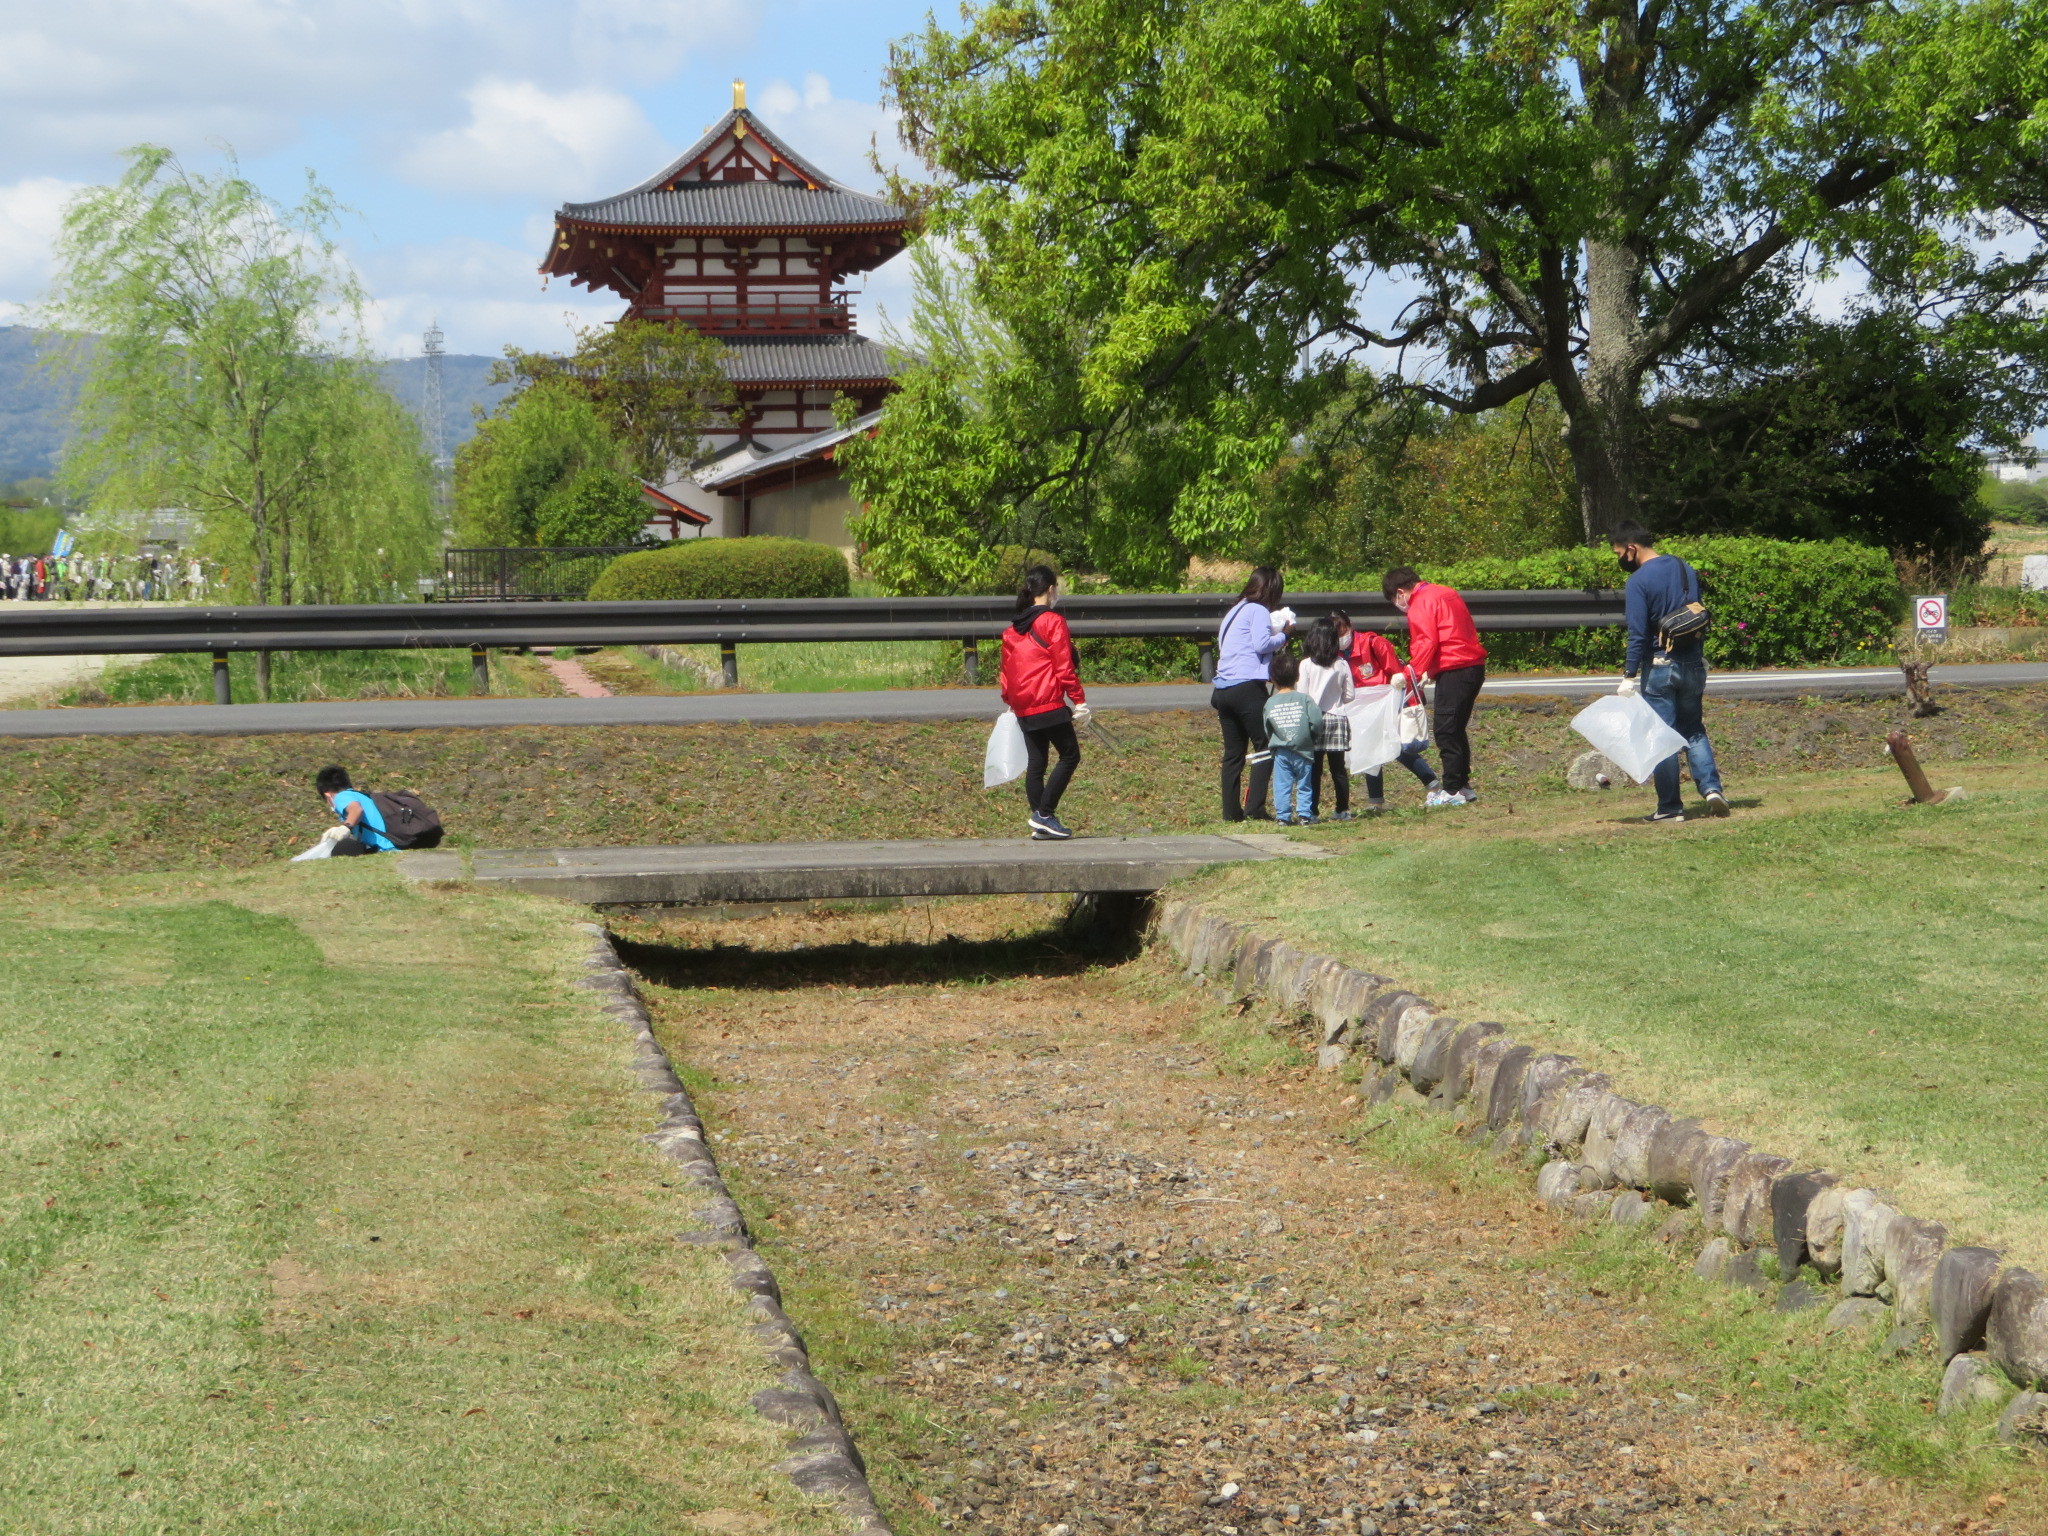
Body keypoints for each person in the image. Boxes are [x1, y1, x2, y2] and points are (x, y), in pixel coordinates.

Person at [1612, 521, 1729, 823]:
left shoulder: (1637, 582)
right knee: (1693, 729)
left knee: (1661, 736)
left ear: (1631, 549)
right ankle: (1712, 789)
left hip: (1660, 665)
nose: (1619, 559)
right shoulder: (1683, 567)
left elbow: (1638, 634)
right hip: (1693, 662)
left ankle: (1669, 807)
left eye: (1618, 553)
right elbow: (1695, 612)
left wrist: (1628, 675)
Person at [1381, 567, 1487, 806]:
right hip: (1472, 665)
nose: (1398, 605)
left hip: (1455, 667)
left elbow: (1426, 639)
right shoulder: (1446, 592)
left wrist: (1412, 672)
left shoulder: (1420, 602)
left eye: (1394, 600)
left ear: (1400, 592)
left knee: (1446, 730)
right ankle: (1462, 786)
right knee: (1456, 729)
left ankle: (1451, 791)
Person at [999, 564, 1089, 841]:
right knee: (1070, 755)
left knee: (1037, 763)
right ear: (1051, 590)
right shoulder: (1052, 621)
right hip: (1047, 702)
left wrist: (1010, 702)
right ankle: (1044, 814)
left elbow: (1005, 673)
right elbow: (1064, 666)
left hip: (1023, 706)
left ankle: (1042, 824)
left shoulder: (1014, 628)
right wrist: (1079, 702)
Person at [1330, 610, 1441, 810]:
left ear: (1350, 625)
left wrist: (1403, 692)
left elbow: (1397, 674)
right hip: (1361, 707)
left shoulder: (1373, 643)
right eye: (1335, 634)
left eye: (1342, 631)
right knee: (1368, 748)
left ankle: (1433, 785)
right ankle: (1376, 801)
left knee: (1395, 746)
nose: (1341, 638)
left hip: (1386, 703)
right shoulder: (1334, 652)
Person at [1210, 566, 1292, 821]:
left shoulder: (1235, 610)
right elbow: (1262, 644)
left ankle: (1230, 813)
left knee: (1233, 753)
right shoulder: (1257, 610)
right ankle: (1255, 808)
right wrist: (1285, 636)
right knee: (1265, 745)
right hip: (1247, 687)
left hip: (1222, 689)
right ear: (1271, 590)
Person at [1297, 617, 1356, 821]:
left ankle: (1311, 811)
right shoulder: (1341, 664)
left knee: (1314, 768)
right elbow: (1350, 695)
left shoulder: (1306, 664)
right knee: (1338, 769)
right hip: (1337, 718)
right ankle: (1342, 809)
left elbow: (1302, 695)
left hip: (1314, 719)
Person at [1261, 652, 1322, 826]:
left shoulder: (1270, 702)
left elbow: (1267, 726)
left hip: (1281, 750)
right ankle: (1304, 814)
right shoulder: (1305, 699)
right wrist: (1312, 736)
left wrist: (1273, 740)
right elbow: (1316, 721)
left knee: (1281, 785)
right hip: (1304, 748)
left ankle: (1283, 816)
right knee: (1305, 783)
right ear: (1297, 676)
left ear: (1272, 678)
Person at [315, 765, 397, 855]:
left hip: (382, 849)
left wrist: (346, 827)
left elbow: (356, 809)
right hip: (390, 845)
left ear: (327, 795)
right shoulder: (360, 796)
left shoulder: (341, 796)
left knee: (342, 847)